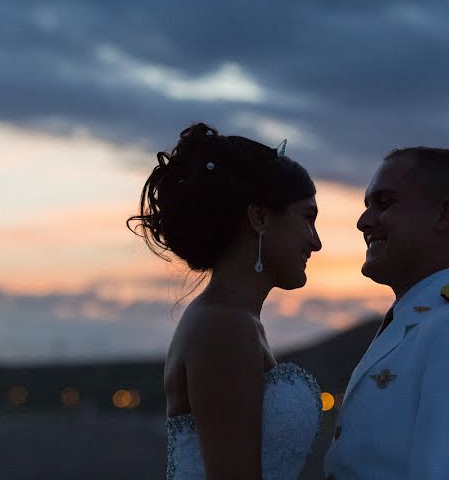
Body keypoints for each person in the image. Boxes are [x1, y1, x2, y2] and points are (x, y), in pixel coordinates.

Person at [128, 122, 324, 480]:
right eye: (308, 219)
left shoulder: (234, 320)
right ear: (260, 217)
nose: (316, 242)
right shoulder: (223, 327)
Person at [323, 147, 449, 479]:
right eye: (366, 207)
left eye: (385, 203)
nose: (363, 222)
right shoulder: (418, 323)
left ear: (445, 214)